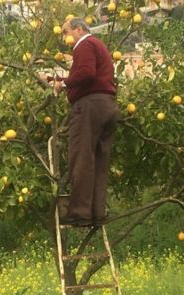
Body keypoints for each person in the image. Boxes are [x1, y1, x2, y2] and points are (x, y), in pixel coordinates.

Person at [53, 18, 120, 226]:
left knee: (81, 157)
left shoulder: (85, 44)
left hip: (90, 106)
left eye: (66, 32)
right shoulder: (98, 46)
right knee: (99, 161)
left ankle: (80, 213)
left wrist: (64, 84)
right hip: (107, 106)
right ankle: (97, 213)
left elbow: (87, 73)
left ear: (79, 29)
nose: (65, 38)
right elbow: (92, 72)